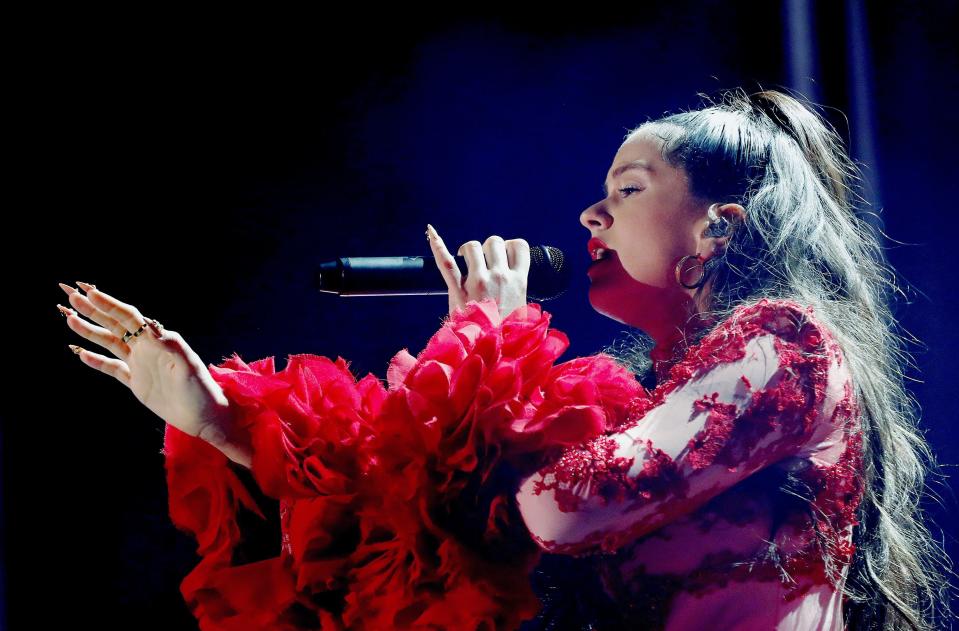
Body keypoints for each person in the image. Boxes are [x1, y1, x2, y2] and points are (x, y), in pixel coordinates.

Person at [56, 87, 954, 630]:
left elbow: (561, 508)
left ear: (719, 226)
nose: (588, 217)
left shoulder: (784, 341)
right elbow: (452, 524)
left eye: (626, 190)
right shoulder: (665, 397)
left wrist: (489, 334)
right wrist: (219, 419)